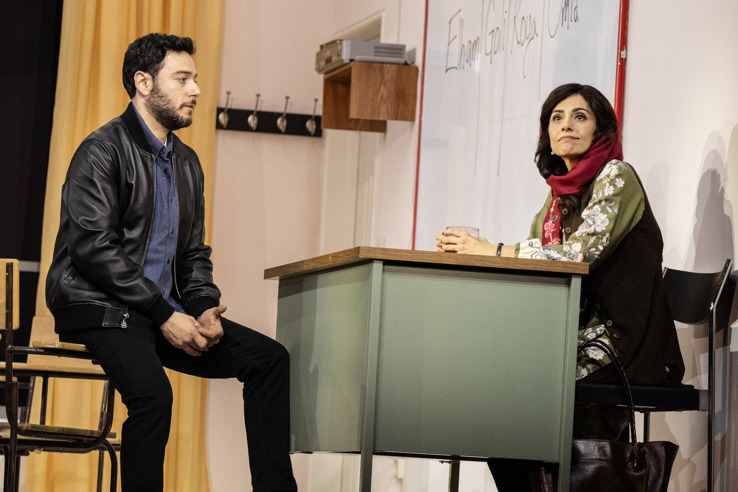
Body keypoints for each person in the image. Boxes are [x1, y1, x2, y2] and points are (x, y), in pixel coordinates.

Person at [46, 33, 298, 492]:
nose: (195, 90)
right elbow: (93, 247)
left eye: (195, 79)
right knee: (153, 396)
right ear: (143, 83)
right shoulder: (101, 150)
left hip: (159, 313)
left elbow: (193, 255)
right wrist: (165, 314)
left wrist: (202, 307)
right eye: (182, 79)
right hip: (101, 307)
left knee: (269, 360)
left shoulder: (187, 163)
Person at [436, 83, 685, 491]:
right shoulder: (557, 199)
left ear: (600, 130)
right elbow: (536, 265)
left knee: (521, 389)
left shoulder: (616, 177)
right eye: (557, 118)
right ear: (547, 135)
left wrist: (494, 250)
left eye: (579, 116)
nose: (566, 124)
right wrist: (471, 256)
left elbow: (577, 255)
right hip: (574, 340)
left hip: (620, 343)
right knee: (488, 387)